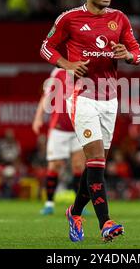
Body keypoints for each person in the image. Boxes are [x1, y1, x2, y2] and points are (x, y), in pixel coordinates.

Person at [40, 0, 140, 242]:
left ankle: (74, 211)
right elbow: (46, 47)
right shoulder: (70, 18)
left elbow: (138, 52)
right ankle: (105, 223)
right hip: (82, 97)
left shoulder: (119, 19)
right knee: (96, 160)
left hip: (110, 99)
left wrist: (128, 55)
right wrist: (68, 64)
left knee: (95, 166)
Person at [32, 68, 86, 215]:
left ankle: (79, 205)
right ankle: (49, 203)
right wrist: (38, 117)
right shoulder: (58, 72)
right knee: (55, 165)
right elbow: (46, 96)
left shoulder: (87, 68)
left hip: (78, 127)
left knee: (79, 166)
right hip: (58, 128)